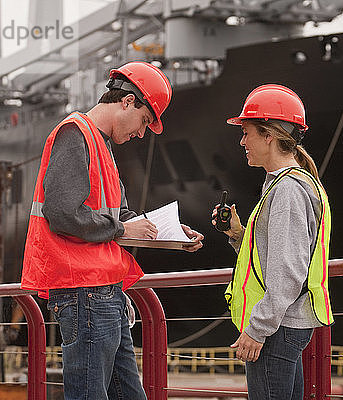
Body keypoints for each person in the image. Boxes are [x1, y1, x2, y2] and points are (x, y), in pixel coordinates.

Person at [21, 61, 203, 400]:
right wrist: (120, 227)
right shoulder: (75, 134)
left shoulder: (99, 144)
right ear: (128, 101)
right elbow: (62, 214)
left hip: (102, 291)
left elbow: (117, 218)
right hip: (85, 291)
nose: (142, 132)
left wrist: (169, 233)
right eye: (145, 121)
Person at [211, 84, 334, 399]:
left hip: (276, 328)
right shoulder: (288, 185)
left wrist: (257, 329)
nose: (242, 141)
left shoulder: (287, 191)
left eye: (247, 132)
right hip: (284, 325)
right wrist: (238, 234)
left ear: (269, 135)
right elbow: (273, 258)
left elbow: (288, 271)